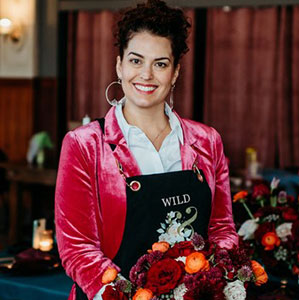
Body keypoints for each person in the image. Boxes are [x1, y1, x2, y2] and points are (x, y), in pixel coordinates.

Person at [55, 1, 238, 299]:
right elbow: (77, 248)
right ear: (119, 65)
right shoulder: (84, 144)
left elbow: (222, 229)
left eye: (160, 64)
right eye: (136, 61)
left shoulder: (207, 141)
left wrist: (207, 283)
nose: (146, 75)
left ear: (175, 72)